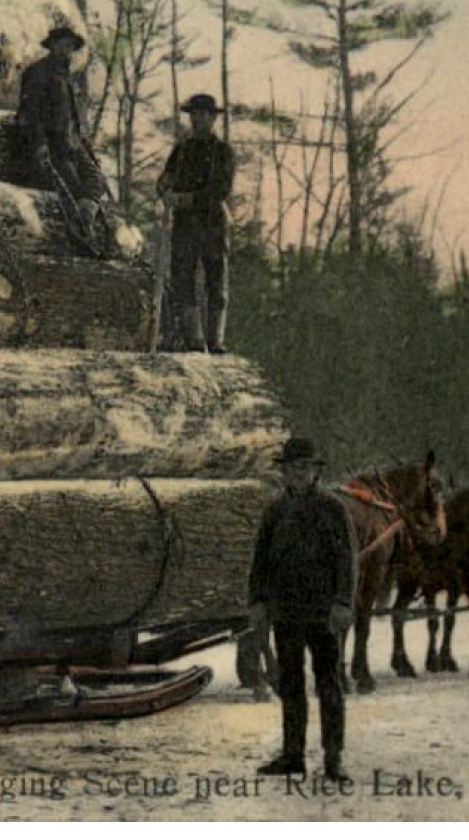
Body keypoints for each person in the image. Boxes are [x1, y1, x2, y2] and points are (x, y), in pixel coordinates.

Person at [247, 437, 357, 781]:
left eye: (305, 468)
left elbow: (348, 560)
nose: (299, 474)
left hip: (323, 614)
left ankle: (333, 758)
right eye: (293, 468)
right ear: (284, 472)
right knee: (291, 685)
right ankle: (292, 755)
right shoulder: (275, 511)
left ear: (315, 472)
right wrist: (257, 601)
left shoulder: (333, 508)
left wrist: (343, 602)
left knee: (329, 685)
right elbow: (260, 560)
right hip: (286, 612)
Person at [16, 24, 117, 254]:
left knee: (95, 181)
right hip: (51, 145)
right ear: (51, 46)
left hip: (72, 143)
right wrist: (39, 144)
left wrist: (84, 144)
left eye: (70, 46)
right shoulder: (38, 73)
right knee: (71, 188)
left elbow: (71, 116)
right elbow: (30, 114)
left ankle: (88, 229)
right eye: (62, 44)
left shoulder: (66, 75)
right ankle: (81, 239)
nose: (66, 50)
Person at [155, 93, 236, 352]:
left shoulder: (224, 152)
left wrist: (185, 199)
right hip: (185, 226)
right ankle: (193, 339)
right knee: (183, 278)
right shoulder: (181, 150)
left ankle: (215, 341)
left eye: (203, 114)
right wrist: (164, 190)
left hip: (212, 224)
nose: (198, 119)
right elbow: (165, 179)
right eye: (194, 115)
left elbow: (220, 191)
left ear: (213, 118)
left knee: (216, 281)